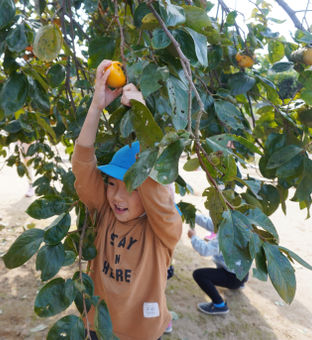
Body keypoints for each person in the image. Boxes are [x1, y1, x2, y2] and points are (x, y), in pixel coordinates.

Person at [72, 59, 183, 340]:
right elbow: (83, 164)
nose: (117, 196)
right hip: (97, 325)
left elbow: (156, 188)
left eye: (132, 187)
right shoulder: (106, 211)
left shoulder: (162, 230)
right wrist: (96, 107)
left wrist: (142, 115)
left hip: (141, 334)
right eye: (111, 184)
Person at [187, 213, 248, 315]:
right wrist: (192, 214)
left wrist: (193, 237)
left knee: (199, 275)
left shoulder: (226, 238)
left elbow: (205, 250)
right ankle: (240, 283)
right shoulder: (235, 226)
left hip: (233, 277)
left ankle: (219, 305)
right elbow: (209, 223)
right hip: (242, 273)